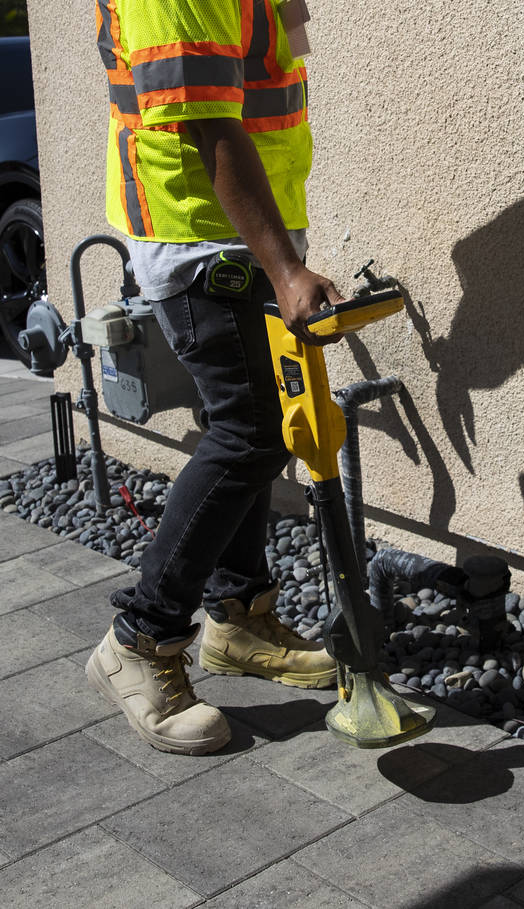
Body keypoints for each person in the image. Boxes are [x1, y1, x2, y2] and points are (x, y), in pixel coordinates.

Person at [85, 0, 342, 755]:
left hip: (235, 231)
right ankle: (141, 637)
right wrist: (286, 267)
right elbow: (207, 121)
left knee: (255, 424)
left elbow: (278, 50)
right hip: (199, 235)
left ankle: (238, 618)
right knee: (254, 431)